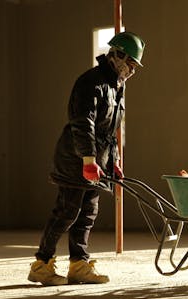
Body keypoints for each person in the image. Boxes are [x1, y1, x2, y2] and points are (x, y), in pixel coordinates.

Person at [27, 32, 146, 286]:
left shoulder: (116, 86)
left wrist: (112, 160)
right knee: (66, 212)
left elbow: (110, 131)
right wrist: (88, 159)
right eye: (131, 64)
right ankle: (42, 264)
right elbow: (83, 123)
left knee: (88, 213)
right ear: (117, 56)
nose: (133, 70)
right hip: (75, 159)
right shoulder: (91, 82)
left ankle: (79, 265)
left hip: (96, 160)